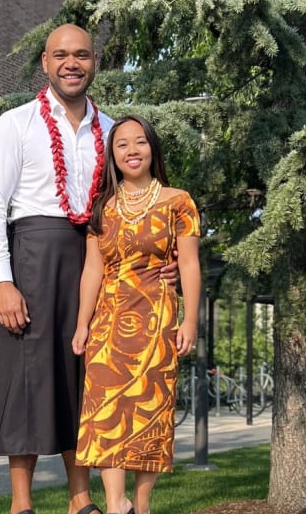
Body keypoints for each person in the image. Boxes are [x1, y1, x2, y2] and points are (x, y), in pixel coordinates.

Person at [0, 24, 177, 514]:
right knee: (25, 376)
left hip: (97, 262)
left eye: (82, 55)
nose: (72, 63)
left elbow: (140, 198)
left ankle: (80, 499)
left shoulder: (113, 132)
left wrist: (166, 259)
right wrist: (2, 280)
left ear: (95, 64)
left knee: (87, 374)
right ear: (45, 63)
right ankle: (21, 504)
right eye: (61, 55)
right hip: (32, 256)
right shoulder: (14, 124)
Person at [71, 115, 201, 514]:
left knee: (151, 410)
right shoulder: (102, 210)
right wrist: (82, 324)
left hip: (157, 317)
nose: (131, 150)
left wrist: (191, 320)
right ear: (112, 154)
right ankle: (116, 504)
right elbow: (92, 269)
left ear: (153, 149)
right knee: (104, 412)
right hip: (108, 324)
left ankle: (141, 504)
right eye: (122, 143)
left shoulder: (179, 202)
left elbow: (190, 264)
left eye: (140, 142)